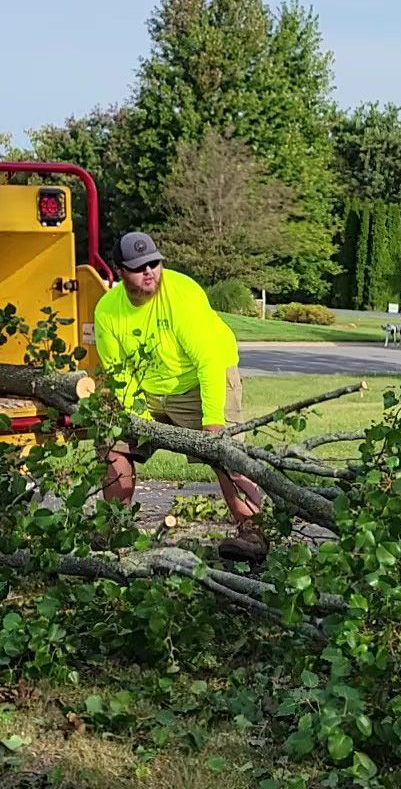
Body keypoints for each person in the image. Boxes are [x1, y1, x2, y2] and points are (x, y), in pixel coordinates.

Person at [92, 231, 267, 562]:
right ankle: (115, 527)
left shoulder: (182, 294)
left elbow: (209, 362)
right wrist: (134, 420)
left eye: (154, 264)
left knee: (225, 451)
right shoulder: (107, 311)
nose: (150, 272)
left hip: (201, 381)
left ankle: (252, 532)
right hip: (148, 389)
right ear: (119, 271)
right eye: (139, 267)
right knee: (113, 438)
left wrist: (213, 421)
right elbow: (119, 374)